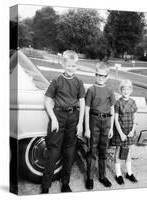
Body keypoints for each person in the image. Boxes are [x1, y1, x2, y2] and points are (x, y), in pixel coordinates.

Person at [41, 50, 85, 193]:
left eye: (74, 66)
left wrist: (80, 123)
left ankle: (65, 182)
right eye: (69, 65)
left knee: (70, 152)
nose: (71, 68)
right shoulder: (56, 81)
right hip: (58, 116)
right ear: (63, 64)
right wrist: (53, 118)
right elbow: (47, 101)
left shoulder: (79, 82)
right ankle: (46, 185)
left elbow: (82, 103)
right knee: (53, 151)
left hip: (73, 118)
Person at [85, 62, 116, 190]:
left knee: (103, 150)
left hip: (106, 122)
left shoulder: (110, 91)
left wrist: (111, 128)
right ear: (95, 75)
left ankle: (102, 176)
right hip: (94, 121)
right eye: (98, 75)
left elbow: (113, 110)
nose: (100, 78)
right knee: (92, 149)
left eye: (103, 76)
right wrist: (87, 128)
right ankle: (90, 178)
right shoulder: (91, 90)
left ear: (107, 77)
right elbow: (86, 109)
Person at [111, 79, 138, 185]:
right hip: (120, 132)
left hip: (129, 131)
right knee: (118, 151)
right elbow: (116, 120)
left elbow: (135, 118)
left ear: (131, 90)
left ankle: (129, 173)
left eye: (128, 89)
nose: (126, 91)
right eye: (123, 89)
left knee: (128, 152)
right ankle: (118, 174)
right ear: (120, 90)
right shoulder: (118, 103)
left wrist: (132, 130)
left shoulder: (133, 102)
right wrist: (121, 134)